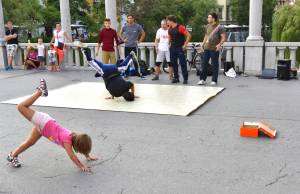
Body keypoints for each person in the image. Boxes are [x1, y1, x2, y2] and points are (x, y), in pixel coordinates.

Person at [7, 79, 97, 171]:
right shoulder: (67, 141)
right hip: (43, 122)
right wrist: (81, 166)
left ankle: (12, 155)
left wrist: (88, 156)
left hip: (44, 128)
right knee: (21, 107)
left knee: (30, 142)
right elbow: (71, 155)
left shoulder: (75, 137)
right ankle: (39, 91)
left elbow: (82, 144)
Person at [198, 13, 226, 86]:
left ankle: (214, 80)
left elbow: (223, 38)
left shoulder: (220, 27)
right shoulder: (207, 26)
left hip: (214, 49)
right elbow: (206, 36)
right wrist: (202, 44)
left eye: (209, 17)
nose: (208, 19)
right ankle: (202, 79)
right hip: (207, 48)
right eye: (208, 17)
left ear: (213, 19)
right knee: (204, 64)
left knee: (214, 65)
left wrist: (219, 45)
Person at [166, 15, 191, 84]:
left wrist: (185, 45)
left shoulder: (180, 27)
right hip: (172, 48)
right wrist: (169, 43)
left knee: (183, 64)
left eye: (167, 21)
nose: (167, 22)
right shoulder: (169, 29)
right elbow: (170, 36)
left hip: (180, 48)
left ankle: (185, 79)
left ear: (171, 21)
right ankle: (176, 78)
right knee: (174, 64)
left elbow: (189, 35)